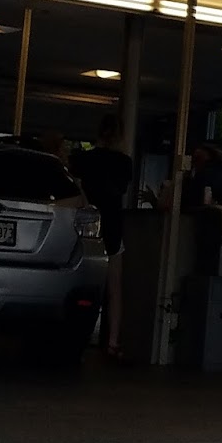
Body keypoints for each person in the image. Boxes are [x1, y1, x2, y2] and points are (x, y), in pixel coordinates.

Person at [70, 115, 133, 356]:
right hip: (112, 223)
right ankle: (113, 341)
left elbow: (76, 188)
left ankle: (77, 334)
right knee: (115, 286)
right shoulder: (124, 163)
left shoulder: (82, 159)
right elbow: (120, 190)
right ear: (120, 135)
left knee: (81, 280)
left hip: (87, 224)